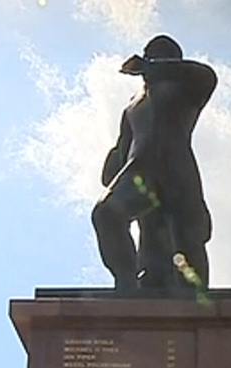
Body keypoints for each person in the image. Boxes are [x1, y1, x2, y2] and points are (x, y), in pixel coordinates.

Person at [92, 34, 216, 293]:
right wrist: (113, 169)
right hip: (141, 170)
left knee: (186, 240)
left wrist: (154, 68)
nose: (153, 61)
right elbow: (124, 144)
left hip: (176, 168)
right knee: (106, 213)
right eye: (151, 56)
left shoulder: (187, 88)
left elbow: (206, 74)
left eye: (162, 57)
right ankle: (126, 282)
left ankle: (195, 300)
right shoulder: (132, 105)